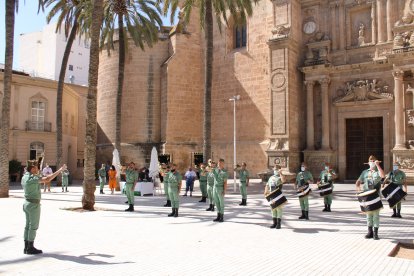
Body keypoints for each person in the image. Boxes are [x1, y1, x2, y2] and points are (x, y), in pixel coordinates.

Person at [22, 159, 66, 254]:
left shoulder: (25, 177)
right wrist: (60, 170)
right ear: (33, 168)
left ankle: (26, 247)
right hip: (33, 205)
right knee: (33, 226)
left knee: (27, 226)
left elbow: (38, 177)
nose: (38, 168)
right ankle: (30, 248)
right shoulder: (32, 179)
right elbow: (47, 179)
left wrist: (38, 174)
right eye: (36, 167)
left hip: (26, 203)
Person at [355, 155, 385, 240]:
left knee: (375, 215)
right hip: (366, 195)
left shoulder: (377, 171)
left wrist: (378, 165)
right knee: (368, 214)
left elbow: (383, 176)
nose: (372, 162)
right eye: (370, 161)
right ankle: (370, 232)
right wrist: (358, 188)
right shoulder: (365, 172)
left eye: (373, 161)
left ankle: (375, 233)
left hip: (375, 196)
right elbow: (358, 181)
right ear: (368, 162)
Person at [213, 158, 228, 222]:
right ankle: (218, 216)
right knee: (216, 203)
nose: (219, 164)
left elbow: (225, 182)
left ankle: (221, 216)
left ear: (223, 163)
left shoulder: (224, 172)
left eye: (220, 163)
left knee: (221, 203)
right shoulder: (215, 170)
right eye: (218, 163)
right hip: (214, 188)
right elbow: (207, 169)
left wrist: (224, 190)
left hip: (220, 188)